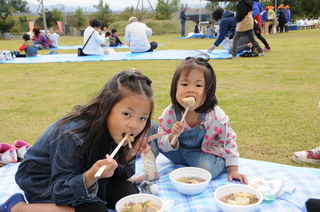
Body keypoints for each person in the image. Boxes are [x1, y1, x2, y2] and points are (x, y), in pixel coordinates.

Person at [0, 69, 163, 212]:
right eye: (127, 114)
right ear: (104, 108)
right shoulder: (72, 135)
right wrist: (92, 175)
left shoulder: (119, 131)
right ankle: (17, 207)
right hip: (45, 180)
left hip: (82, 174)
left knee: (128, 194)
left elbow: (121, 175)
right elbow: (60, 191)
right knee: (95, 209)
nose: (134, 125)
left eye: (142, 118)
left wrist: (127, 156)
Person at [130, 54, 248, 184]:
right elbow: (162, 143)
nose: (190, 90)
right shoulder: (171, 113)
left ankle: (217, 164)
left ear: (208, 91)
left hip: (200, 156)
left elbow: (228, 140)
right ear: (175, 88)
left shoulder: (215, 116)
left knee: (208, 168)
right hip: (175, 153)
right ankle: (149, 170)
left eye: (198, 86)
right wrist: (172, 136)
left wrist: (233, 169)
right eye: (185, 84)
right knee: (148, 125)